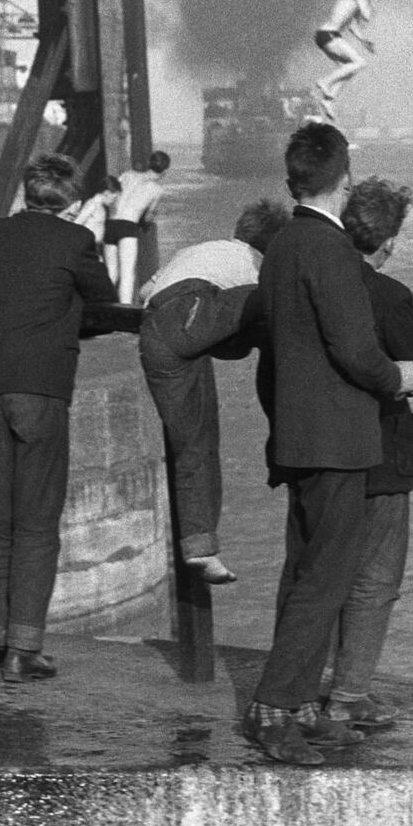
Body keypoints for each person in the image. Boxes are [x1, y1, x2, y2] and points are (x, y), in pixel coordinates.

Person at [243, 122, 413, 765]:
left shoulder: (283, 245)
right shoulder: (331, 251)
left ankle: (294, 703)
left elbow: (272, 354)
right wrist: (395, 376)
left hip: (296, 436)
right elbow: (355, 349)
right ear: (343, 179)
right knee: (326, 578)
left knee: (303, 573)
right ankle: (274, 709)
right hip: (341, 440)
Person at [0, 154, 117, 683]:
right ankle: (24, 650)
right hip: (40, 388)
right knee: (37, 525)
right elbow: (104, 303)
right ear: (71, 201)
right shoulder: (76, 242)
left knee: (4, 522)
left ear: (27, 195)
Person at [320, 177, 413, 727]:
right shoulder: (389, 296)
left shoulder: (313, 281)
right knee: (375, 578)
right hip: (381, 457)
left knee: (319, 571)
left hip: (317, 449)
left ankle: (304, 682)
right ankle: (348, 696)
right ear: (388, 240)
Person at [139, 199, 289, 584]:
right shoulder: (251, 260)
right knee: (272, 297)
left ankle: (200, 548)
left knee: (194, 442)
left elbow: (145, 290)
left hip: (156, 333)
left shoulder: (197, 250)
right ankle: (285, 432)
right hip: (191, 310)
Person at [104, 150, 171, 304]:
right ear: (165, 170)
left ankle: (103, 305)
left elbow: (114, 193)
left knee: (110, 273)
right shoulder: (157, 189)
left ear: (149, 163)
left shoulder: (127, 175)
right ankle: (124, 313)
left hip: (111, 223)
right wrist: (149, 219)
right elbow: (147, 217)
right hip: (128, 227)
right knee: (127, 274)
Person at [314, 0, 381, 120]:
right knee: (360, 63)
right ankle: (325, 81)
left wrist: (364, 42)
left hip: (327, 36)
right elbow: (367, 16)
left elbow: (352, 26)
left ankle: (328, 100)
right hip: (328, 35)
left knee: (350, 69)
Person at [61, 174, 121, 247]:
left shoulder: (101, 207)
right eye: (114, 198)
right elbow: (78, 223)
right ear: (107, 193)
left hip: (94, 246)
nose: (113, 201)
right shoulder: (92, 204)